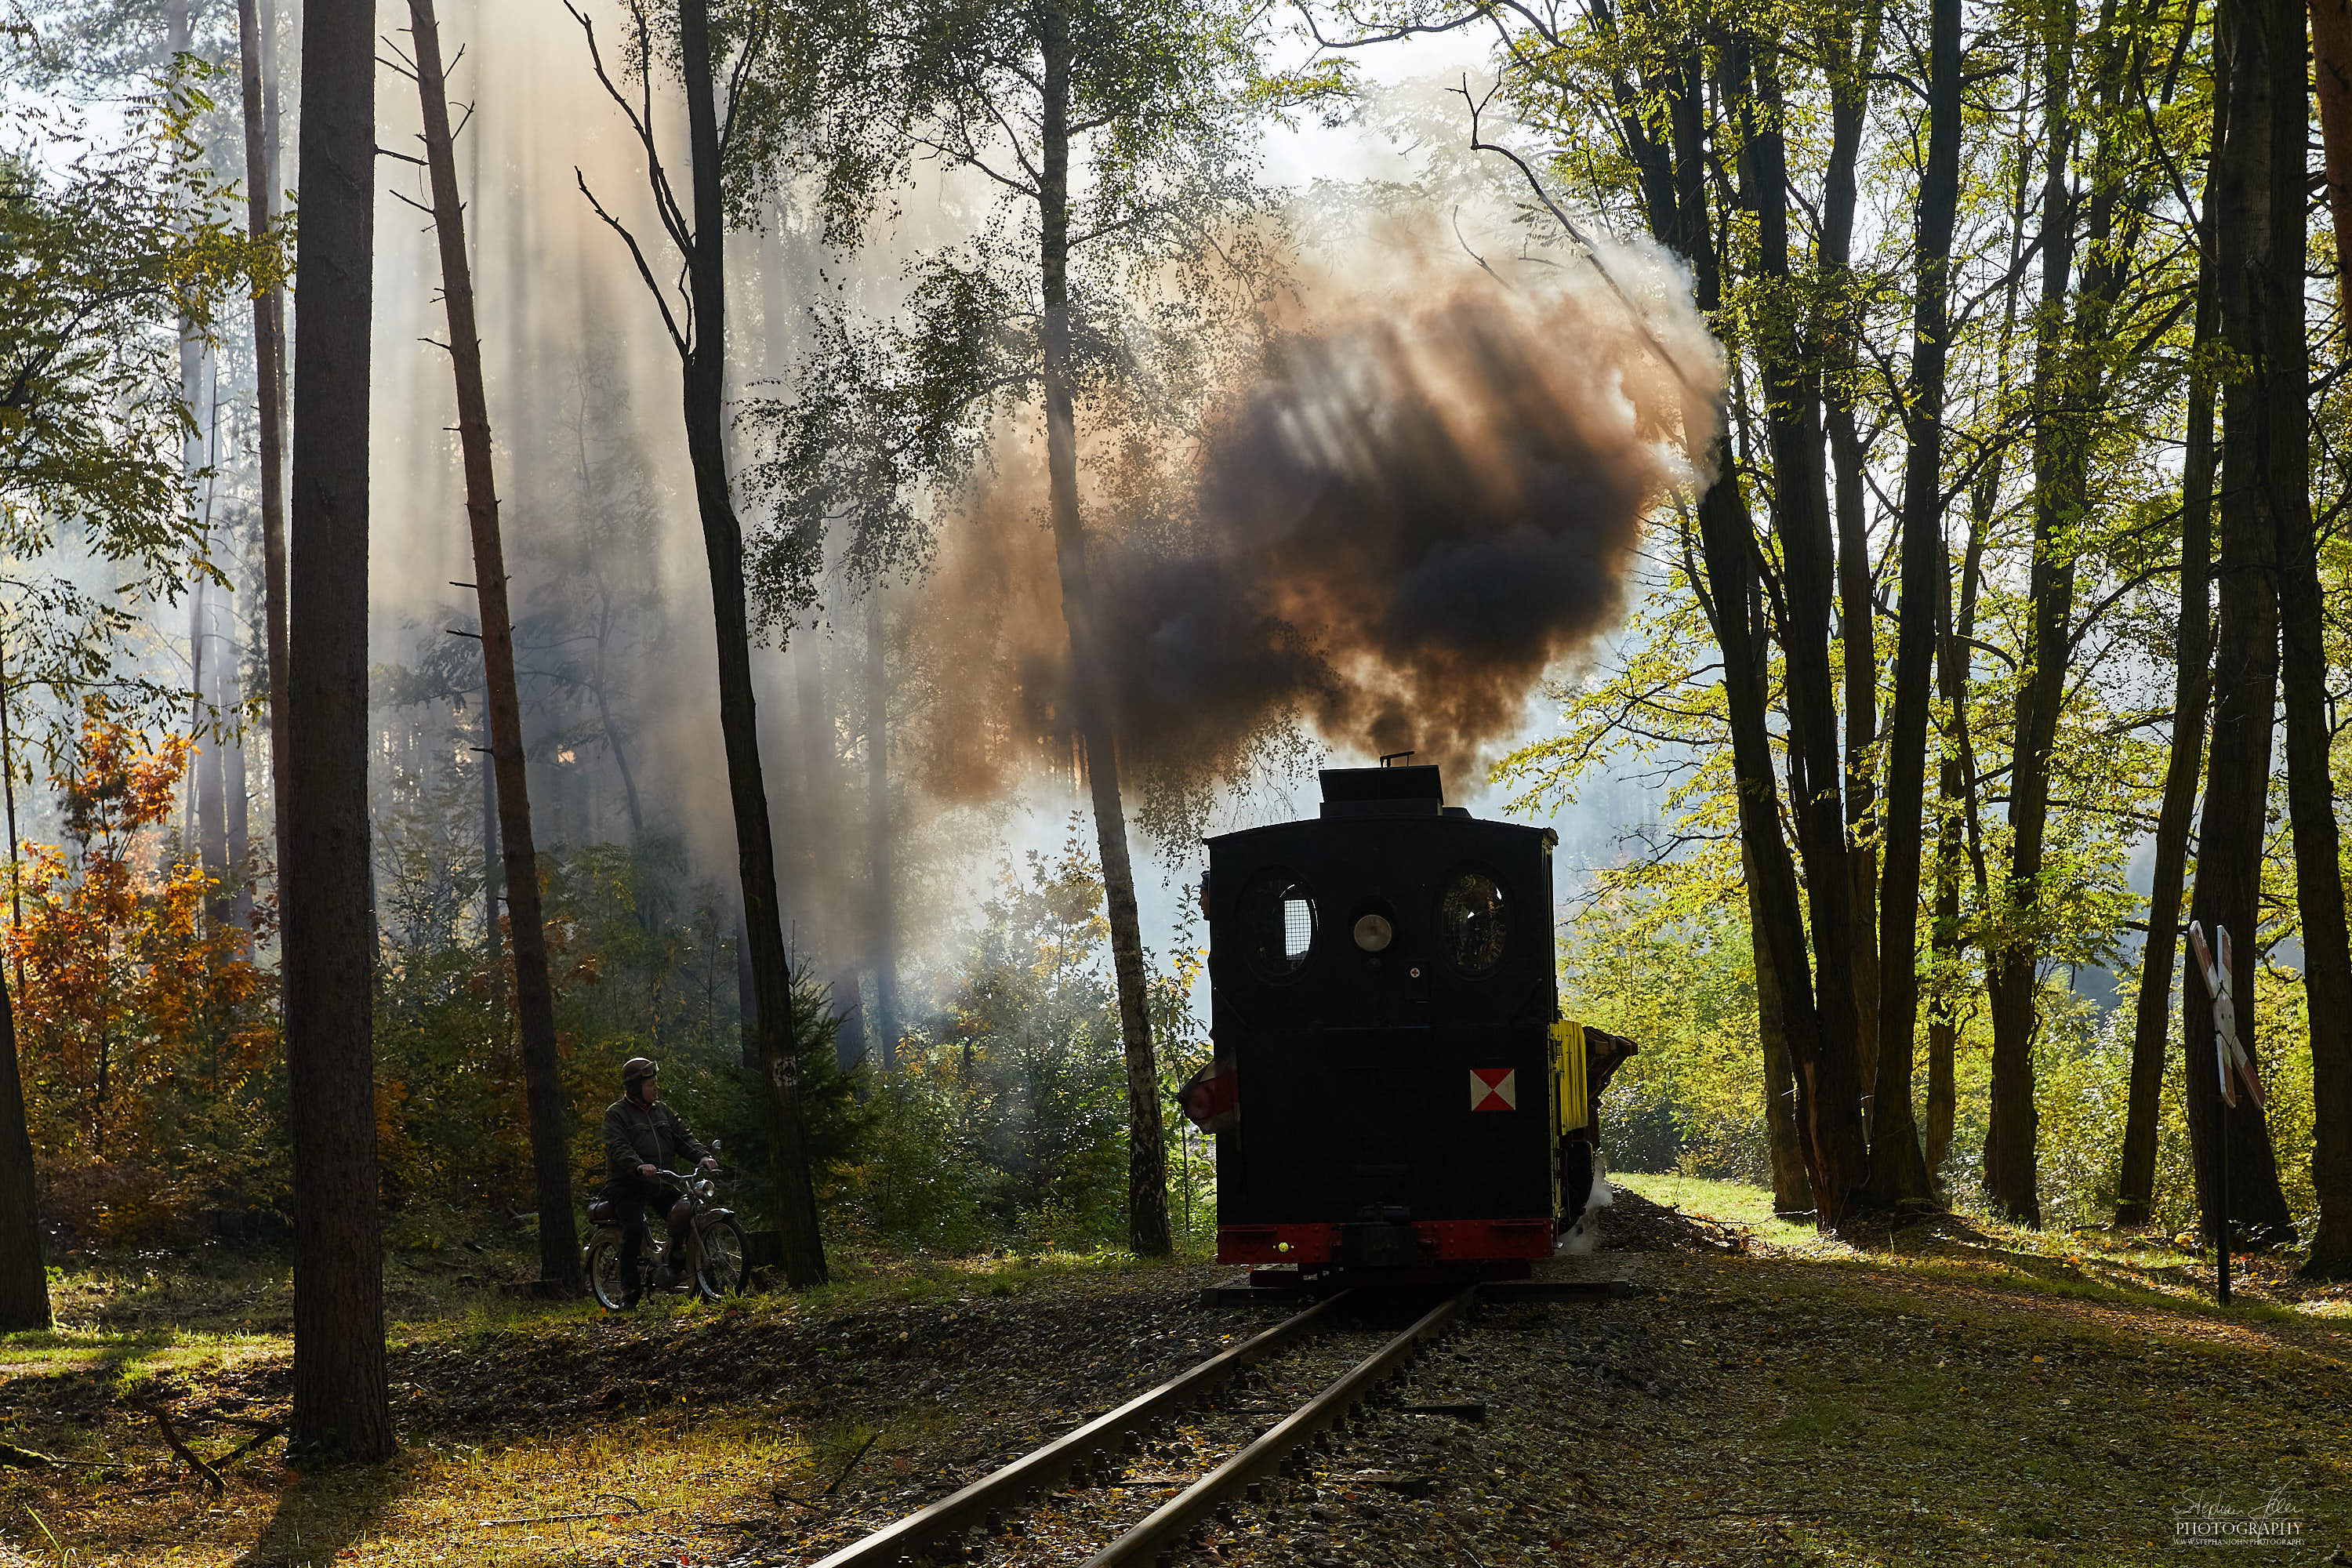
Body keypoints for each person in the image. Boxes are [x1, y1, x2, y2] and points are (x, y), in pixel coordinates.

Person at [602, 1056, 719, 1307]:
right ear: (635, 1088)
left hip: (660, 1181)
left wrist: (702, 1156)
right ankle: (629, 1291)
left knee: (688, 1213)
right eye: (650, 1084)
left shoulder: (662, 1111)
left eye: (656, 1083)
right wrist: (638, 1166)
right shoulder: (616, 1114)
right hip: (627, 1184)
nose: (656, 1088)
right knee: (633, 1230)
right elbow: (618, 1146)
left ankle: (682, 1269)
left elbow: (683, 1137)